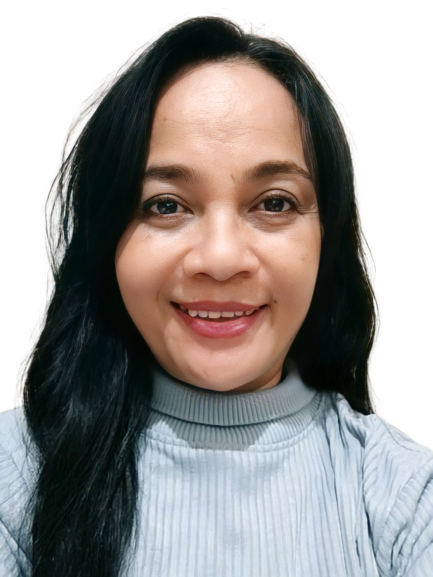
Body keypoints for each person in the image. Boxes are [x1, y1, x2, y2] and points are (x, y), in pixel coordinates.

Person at [1, 13, 432, 577]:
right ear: (107, 242)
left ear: (326, 240)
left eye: (274, 203)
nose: (222, 259)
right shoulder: (17, 474)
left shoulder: (405, 497)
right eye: (165, 205)